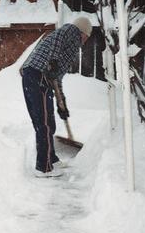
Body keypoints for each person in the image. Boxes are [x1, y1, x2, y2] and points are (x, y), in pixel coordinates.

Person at [21, 17, 92, 178]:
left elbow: (57, 78)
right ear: (83, 32)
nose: (85, 41)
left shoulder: (69, 47)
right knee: (44, 124)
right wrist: (52, 61)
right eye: (87, 36)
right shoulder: (71, 31)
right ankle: (43, 167)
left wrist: (62, 104)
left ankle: (51, 159)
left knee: (46, 122)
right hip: (38, 76)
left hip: (36, 77)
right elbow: (58, 38)